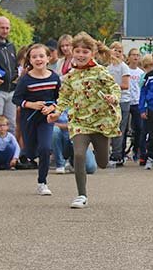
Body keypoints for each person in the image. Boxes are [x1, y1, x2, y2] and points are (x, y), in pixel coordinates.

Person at [49, 32, 121, 209]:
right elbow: (64, 97)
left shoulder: (100, 72)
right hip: (79, 121)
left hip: (100, 122)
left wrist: (113, 97)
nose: (81, 55)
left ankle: (103, 148)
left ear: (93, 53)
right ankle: (81, 195)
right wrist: (57, 112)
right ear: (72, 52)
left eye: (85, 52)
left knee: (102, 163)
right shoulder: (70, 76)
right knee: (79, 154)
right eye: (77, 51)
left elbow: (115, 87)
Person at [13, 43, 61, 196]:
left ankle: (42, 182)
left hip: (46, 119)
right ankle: (28, 154)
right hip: (29, 119)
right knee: (31, 151)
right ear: (30, 60)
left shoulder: (54, 77)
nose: (38, 59)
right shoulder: (25, 80)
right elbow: (16, 99)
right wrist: (31, 104)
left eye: (41, 56)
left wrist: (52, 108)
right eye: (34, 57)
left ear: (48, 58)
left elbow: (59, 98)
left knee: (45, 148)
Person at [125, 48, 143, 162]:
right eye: (133, 55)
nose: (135, 57)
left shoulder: (141, 73)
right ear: (129, 57)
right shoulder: (125, 70)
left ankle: (136, 150)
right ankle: (121, 151)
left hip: (137, 102)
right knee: (124, 128)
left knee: (139, 128)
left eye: (137, 55)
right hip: (126, 101)